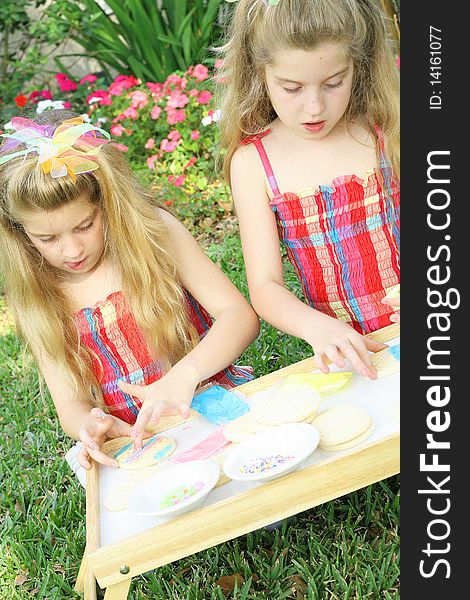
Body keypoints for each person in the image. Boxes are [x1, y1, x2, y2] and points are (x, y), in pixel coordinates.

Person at [0, 109, 259, 470]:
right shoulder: (39, 293)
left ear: (107, 202)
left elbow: (239, 317)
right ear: (19, 233)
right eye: (47, 238)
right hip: (135, 442)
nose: (72, 251)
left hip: (204, 406)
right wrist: (87, 425)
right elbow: (69, 406)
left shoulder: (154, 236)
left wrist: (183, 376)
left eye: (85, 225)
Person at [217, 0, 400, 379]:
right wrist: (316, 327)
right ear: (260, 73)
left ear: (358, 65)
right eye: (292, 88)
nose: (314, 107)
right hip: (351, 357)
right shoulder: (254, 163)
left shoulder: (387, 131)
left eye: (334, 83)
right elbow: (265, 286)